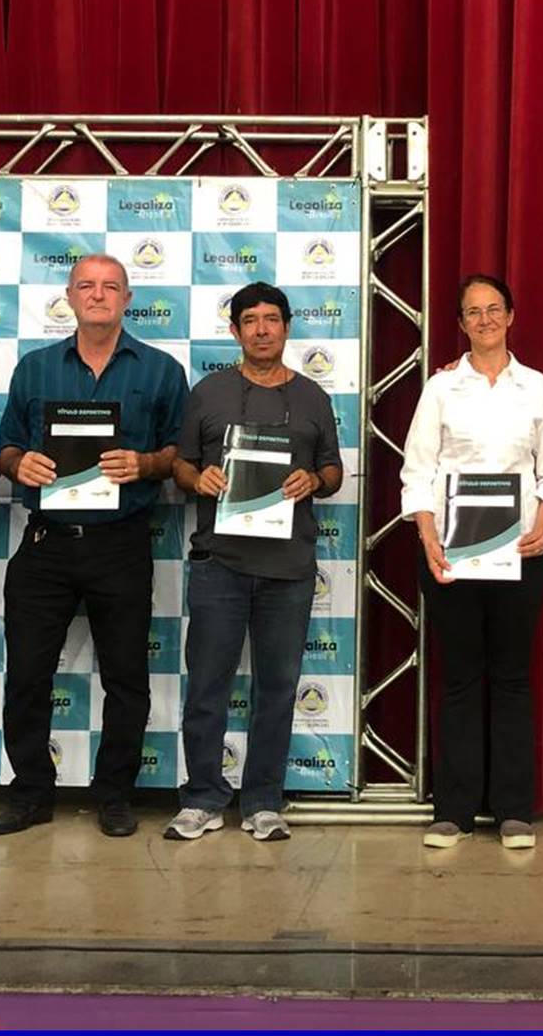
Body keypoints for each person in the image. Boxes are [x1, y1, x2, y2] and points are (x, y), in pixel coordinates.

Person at [0, 254, 188, 839]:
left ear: (127, 298)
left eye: (110, 286)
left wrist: (146, 463)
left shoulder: (161, 370)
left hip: (121, 544)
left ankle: (115, 796)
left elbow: (181, 454)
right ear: (70, 296)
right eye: (86, 286)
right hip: (45, 543)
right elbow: (6, 447)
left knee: (126, 680)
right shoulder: (35, 368)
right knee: (27, 676)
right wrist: (19, 463)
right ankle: (30, 794)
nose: (98, 295)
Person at [401, 274, 543, 850]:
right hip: (451, 553)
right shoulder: (441, 388)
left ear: (511, 315)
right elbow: (417, 469)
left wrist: (542, 528)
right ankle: (453, 811)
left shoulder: (538, 388)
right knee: (460, 678)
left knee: (512, 678)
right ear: (460, 323)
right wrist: (428, 537)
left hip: (520, 554)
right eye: (473, 312)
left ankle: (514, 812)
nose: (485, 319)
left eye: (493, 308)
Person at [167, 282, 343, 842]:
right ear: (235, 330)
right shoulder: (208, 393)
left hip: (288, 569)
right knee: (207, 687)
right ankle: (201, 797)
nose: (262, 329)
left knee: (278, 689)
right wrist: (199, 477)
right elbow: (180, 464)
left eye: (271, 319)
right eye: (250, 320)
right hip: (219, 563)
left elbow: (334, 471)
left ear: (287, 327)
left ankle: (264, 801)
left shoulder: (313, 396)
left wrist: (314, 479)